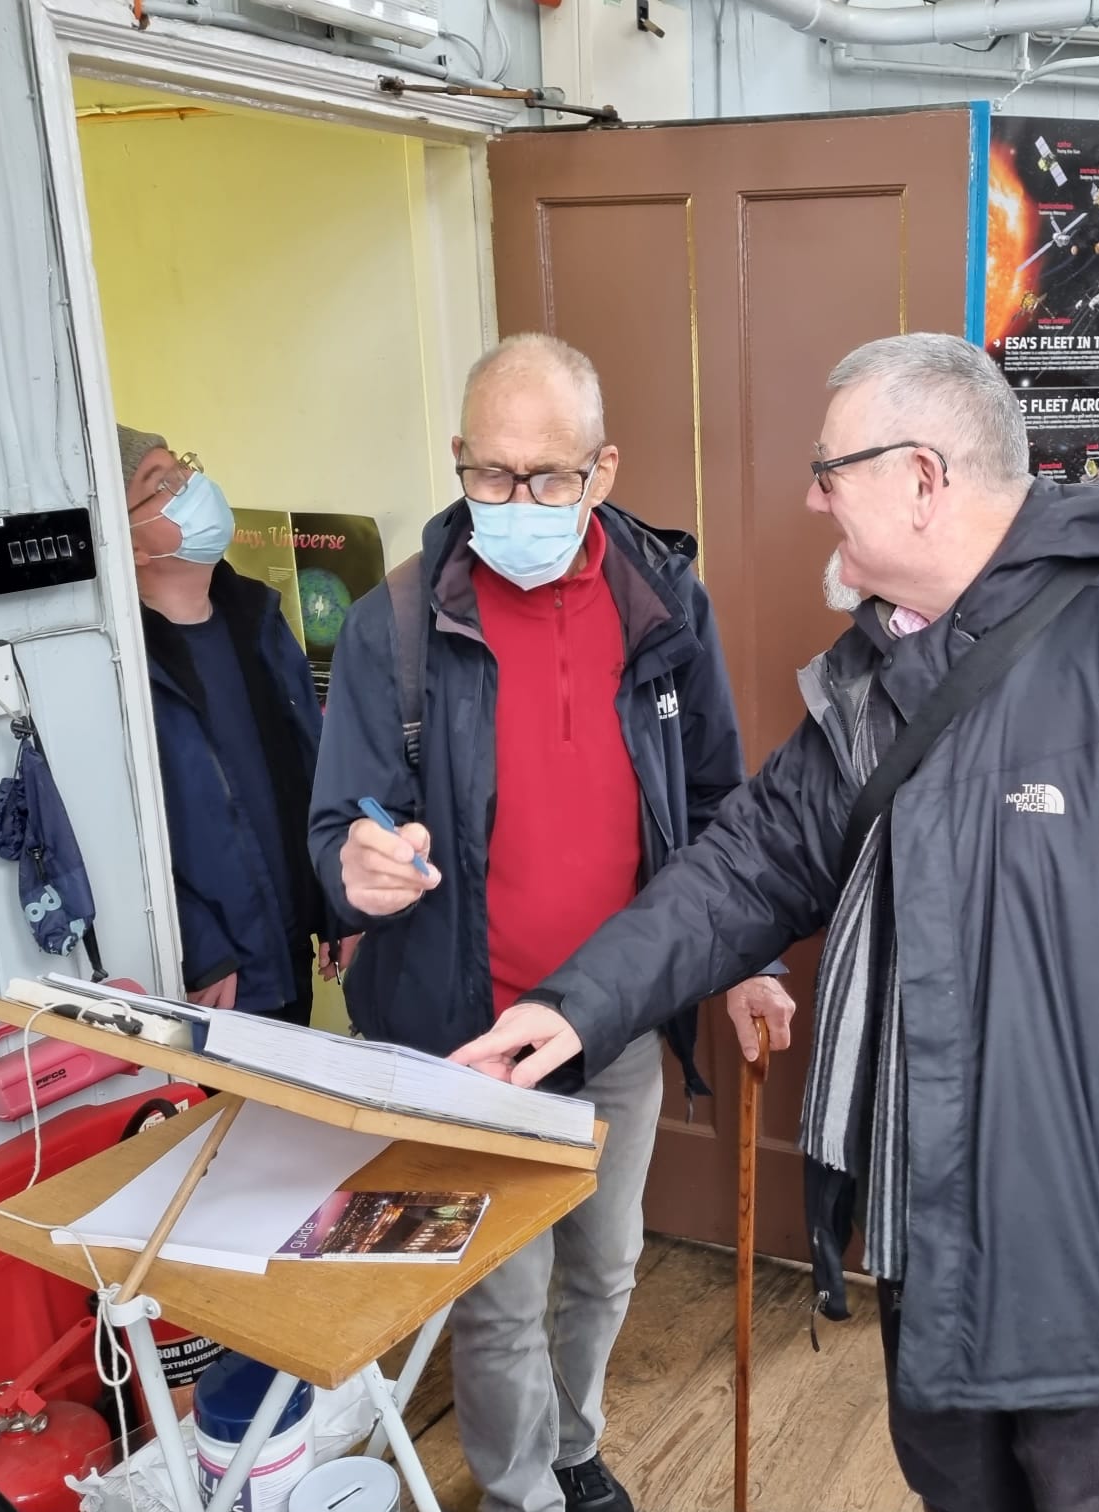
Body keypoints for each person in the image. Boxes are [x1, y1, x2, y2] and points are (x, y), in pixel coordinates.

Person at [451, 334, 1099, 1512]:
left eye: (829, 470)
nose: (812, 498)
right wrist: (574, 1008)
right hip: (927, 1240)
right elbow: (739, 871)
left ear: (924, 478)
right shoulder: (880, 672)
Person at [307, 334, 793, 1512]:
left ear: (602, 470)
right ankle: (521, 1491)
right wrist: (354, 869)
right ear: (459, 457)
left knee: (608, 1265)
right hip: (469, 1037)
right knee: (500, 1298)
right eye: (490, 473)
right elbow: (335, 829)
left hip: (616, 1021)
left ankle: (575, 1447)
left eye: (548, 478)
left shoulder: (665, 606)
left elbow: (720, 809)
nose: (515, 502)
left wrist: (748, 959)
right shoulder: (394, 626)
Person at [119, 426, 352, 1022]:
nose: (190, 485)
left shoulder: (258, 618)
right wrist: (196, 945)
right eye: (161, 484)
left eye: (183, 468)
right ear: (131, 545)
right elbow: (121, 832)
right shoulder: (123, 667)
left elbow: (317, 772)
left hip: (291, 945)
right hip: (218, 973)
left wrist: (339, 901)